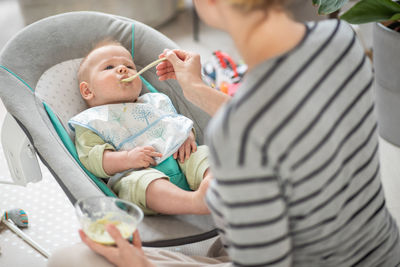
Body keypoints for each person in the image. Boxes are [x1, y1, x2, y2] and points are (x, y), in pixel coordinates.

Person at [48, 0, 400, 266]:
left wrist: (140, 265)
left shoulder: (236, 136)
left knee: (68, 258)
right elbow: (272, 120)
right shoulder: (340, 40)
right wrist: (197, 90)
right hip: (384, 252)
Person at [68, 40, 211, 215]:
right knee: (140, 184)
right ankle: (195, 203)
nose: (122, 69)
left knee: (204, 154)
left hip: (179, 159)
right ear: (88, 91)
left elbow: (176, 121)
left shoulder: (153, 101)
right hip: (137, 173)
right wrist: (127, 158)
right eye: (109, 67)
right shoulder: (92, 121)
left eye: (129, 66)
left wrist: (186, 136)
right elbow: (93, 159)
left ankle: (217, 189)